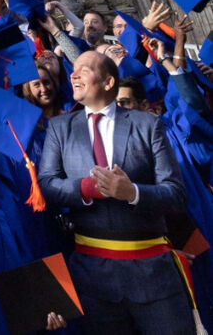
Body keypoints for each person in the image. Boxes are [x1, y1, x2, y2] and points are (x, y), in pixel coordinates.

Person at [38, 51, 192, 333]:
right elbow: (47, 184)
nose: (73, 74)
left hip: (153, 275)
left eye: (84, 69)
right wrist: (85, 188)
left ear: (108, 82)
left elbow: (176, 195)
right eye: (74, 69)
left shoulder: (147, 125)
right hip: (93, 281)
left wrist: (132, 192)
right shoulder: (60, 128)